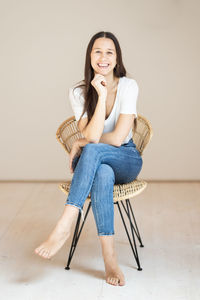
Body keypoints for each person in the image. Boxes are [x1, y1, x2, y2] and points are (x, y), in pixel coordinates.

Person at [34, 31, 143, 287]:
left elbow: (116, 139)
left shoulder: (129, 86)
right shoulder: (78, 92)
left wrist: (82, 142)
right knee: (102, 172)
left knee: (92, 150)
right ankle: (110, 259)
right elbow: (94, 135)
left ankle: (64, 224)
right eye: (97, 51)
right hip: (103, 164)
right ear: (89, 55)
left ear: (117, 58)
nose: (103, 57)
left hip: (126, 158)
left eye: (109, 52)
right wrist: (101, 95)